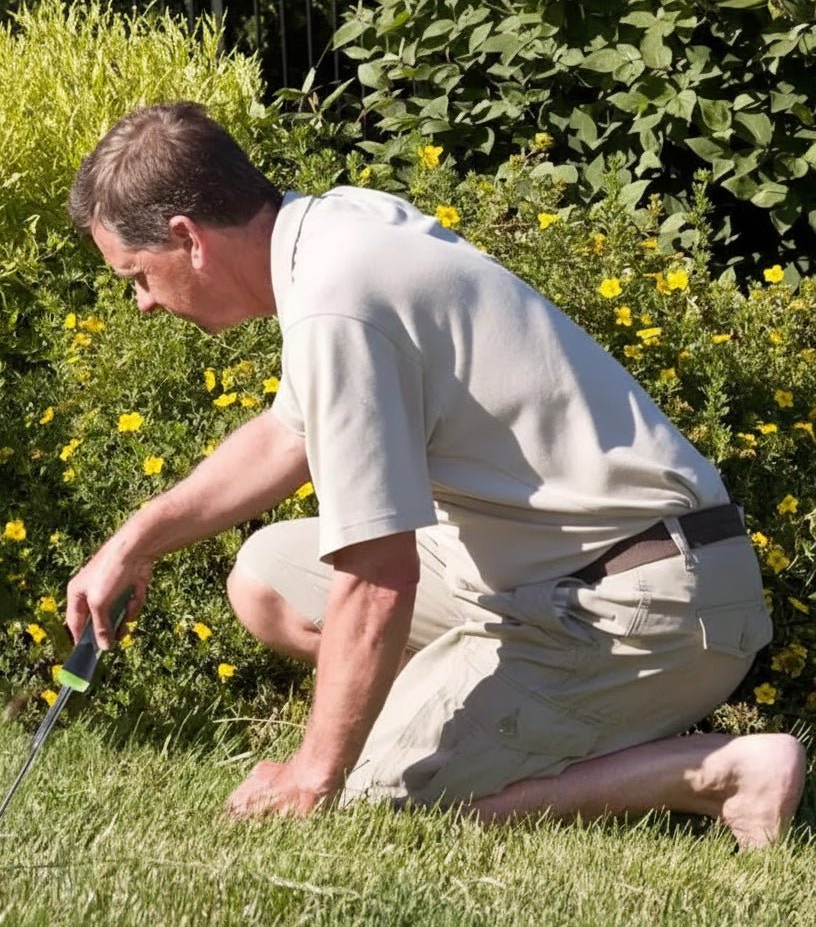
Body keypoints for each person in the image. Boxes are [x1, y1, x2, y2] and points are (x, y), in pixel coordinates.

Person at [63, 101, 805, 849]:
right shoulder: (334, 230)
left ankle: (713, 772)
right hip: (573, 574)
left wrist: (314, 774)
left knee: (368, 808)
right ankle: (482, 714)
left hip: (642, 608)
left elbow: (378, 576)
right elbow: (286, 438)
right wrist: (136, 540)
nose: (144, 303)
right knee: (265, 579)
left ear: (187, 239)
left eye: (137, 274)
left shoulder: (335, 305)